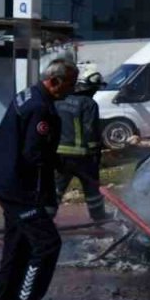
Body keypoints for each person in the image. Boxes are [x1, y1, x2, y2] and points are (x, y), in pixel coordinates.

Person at [0, 59, 79, 300]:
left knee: (17, 250)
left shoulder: (29, 96)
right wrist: (57, 167)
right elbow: (34, 154)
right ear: (54, 81)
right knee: (47, 244)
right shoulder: (39, 108)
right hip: (20, 188)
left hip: (5, 182)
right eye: (69, 84)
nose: (71, 90)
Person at [54, 66, 111, 222]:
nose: (95, 92)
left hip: (59, 157)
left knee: (56, 190)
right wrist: (96, 155)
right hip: (83, 157)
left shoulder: (59, 100)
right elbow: (90, 132)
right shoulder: (89, 103)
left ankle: (44, 219)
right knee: (92, 189)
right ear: (88, 87)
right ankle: (99, 217)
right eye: (94, 88)